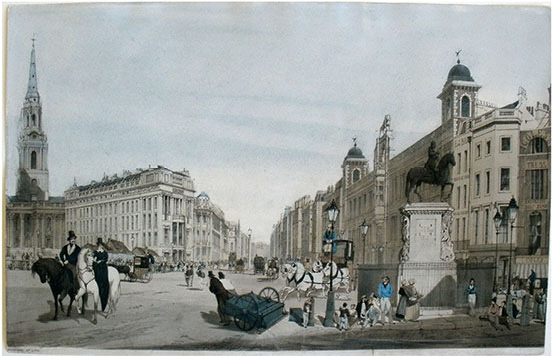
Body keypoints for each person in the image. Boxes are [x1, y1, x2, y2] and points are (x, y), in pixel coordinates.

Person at [93, 240, 110, 312]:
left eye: (100, 245)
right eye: (98, 245)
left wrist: (101, 261)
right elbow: (94, 259)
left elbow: (106, 259)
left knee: (104, 281)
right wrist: (95, 260)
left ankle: (104, 302)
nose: (99, 246)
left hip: (103, 267)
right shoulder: (96, 252)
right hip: (97, 266)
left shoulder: (105, 253)